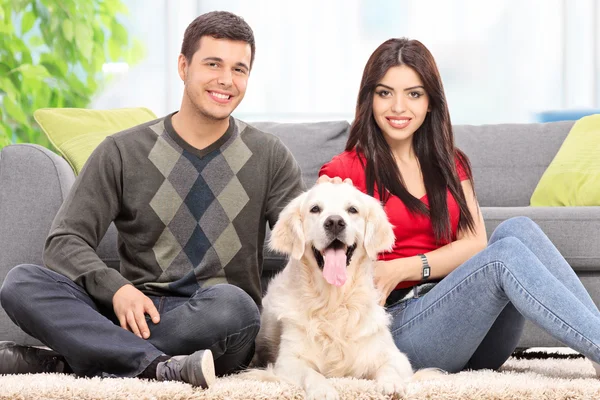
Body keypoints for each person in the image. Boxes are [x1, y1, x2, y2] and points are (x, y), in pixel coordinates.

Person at [0, 11, 304, 387]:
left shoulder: (269, 155)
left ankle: (75, 359)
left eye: (239, 69)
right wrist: (117, 289)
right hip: (135, 314)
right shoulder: (122, 151)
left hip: (217, 323)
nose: (226, 80)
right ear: (183, 66)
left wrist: (337, 201)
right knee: (21, 282)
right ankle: (157, 366)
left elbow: (306, 239)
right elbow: (65, 241)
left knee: (237, 306)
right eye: (213, 64)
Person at [319, 37, 600, 374]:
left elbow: (475, 244)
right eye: (384, 93)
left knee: (517, 229)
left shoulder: (451, 163)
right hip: (399, 331)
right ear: (369, 99)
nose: (398, 107)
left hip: (472, 330)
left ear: (430, 102)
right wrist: (330, 204)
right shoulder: (345, 171)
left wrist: (405, 267)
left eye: (413, 93)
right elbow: (317, 234)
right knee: (504, 256)